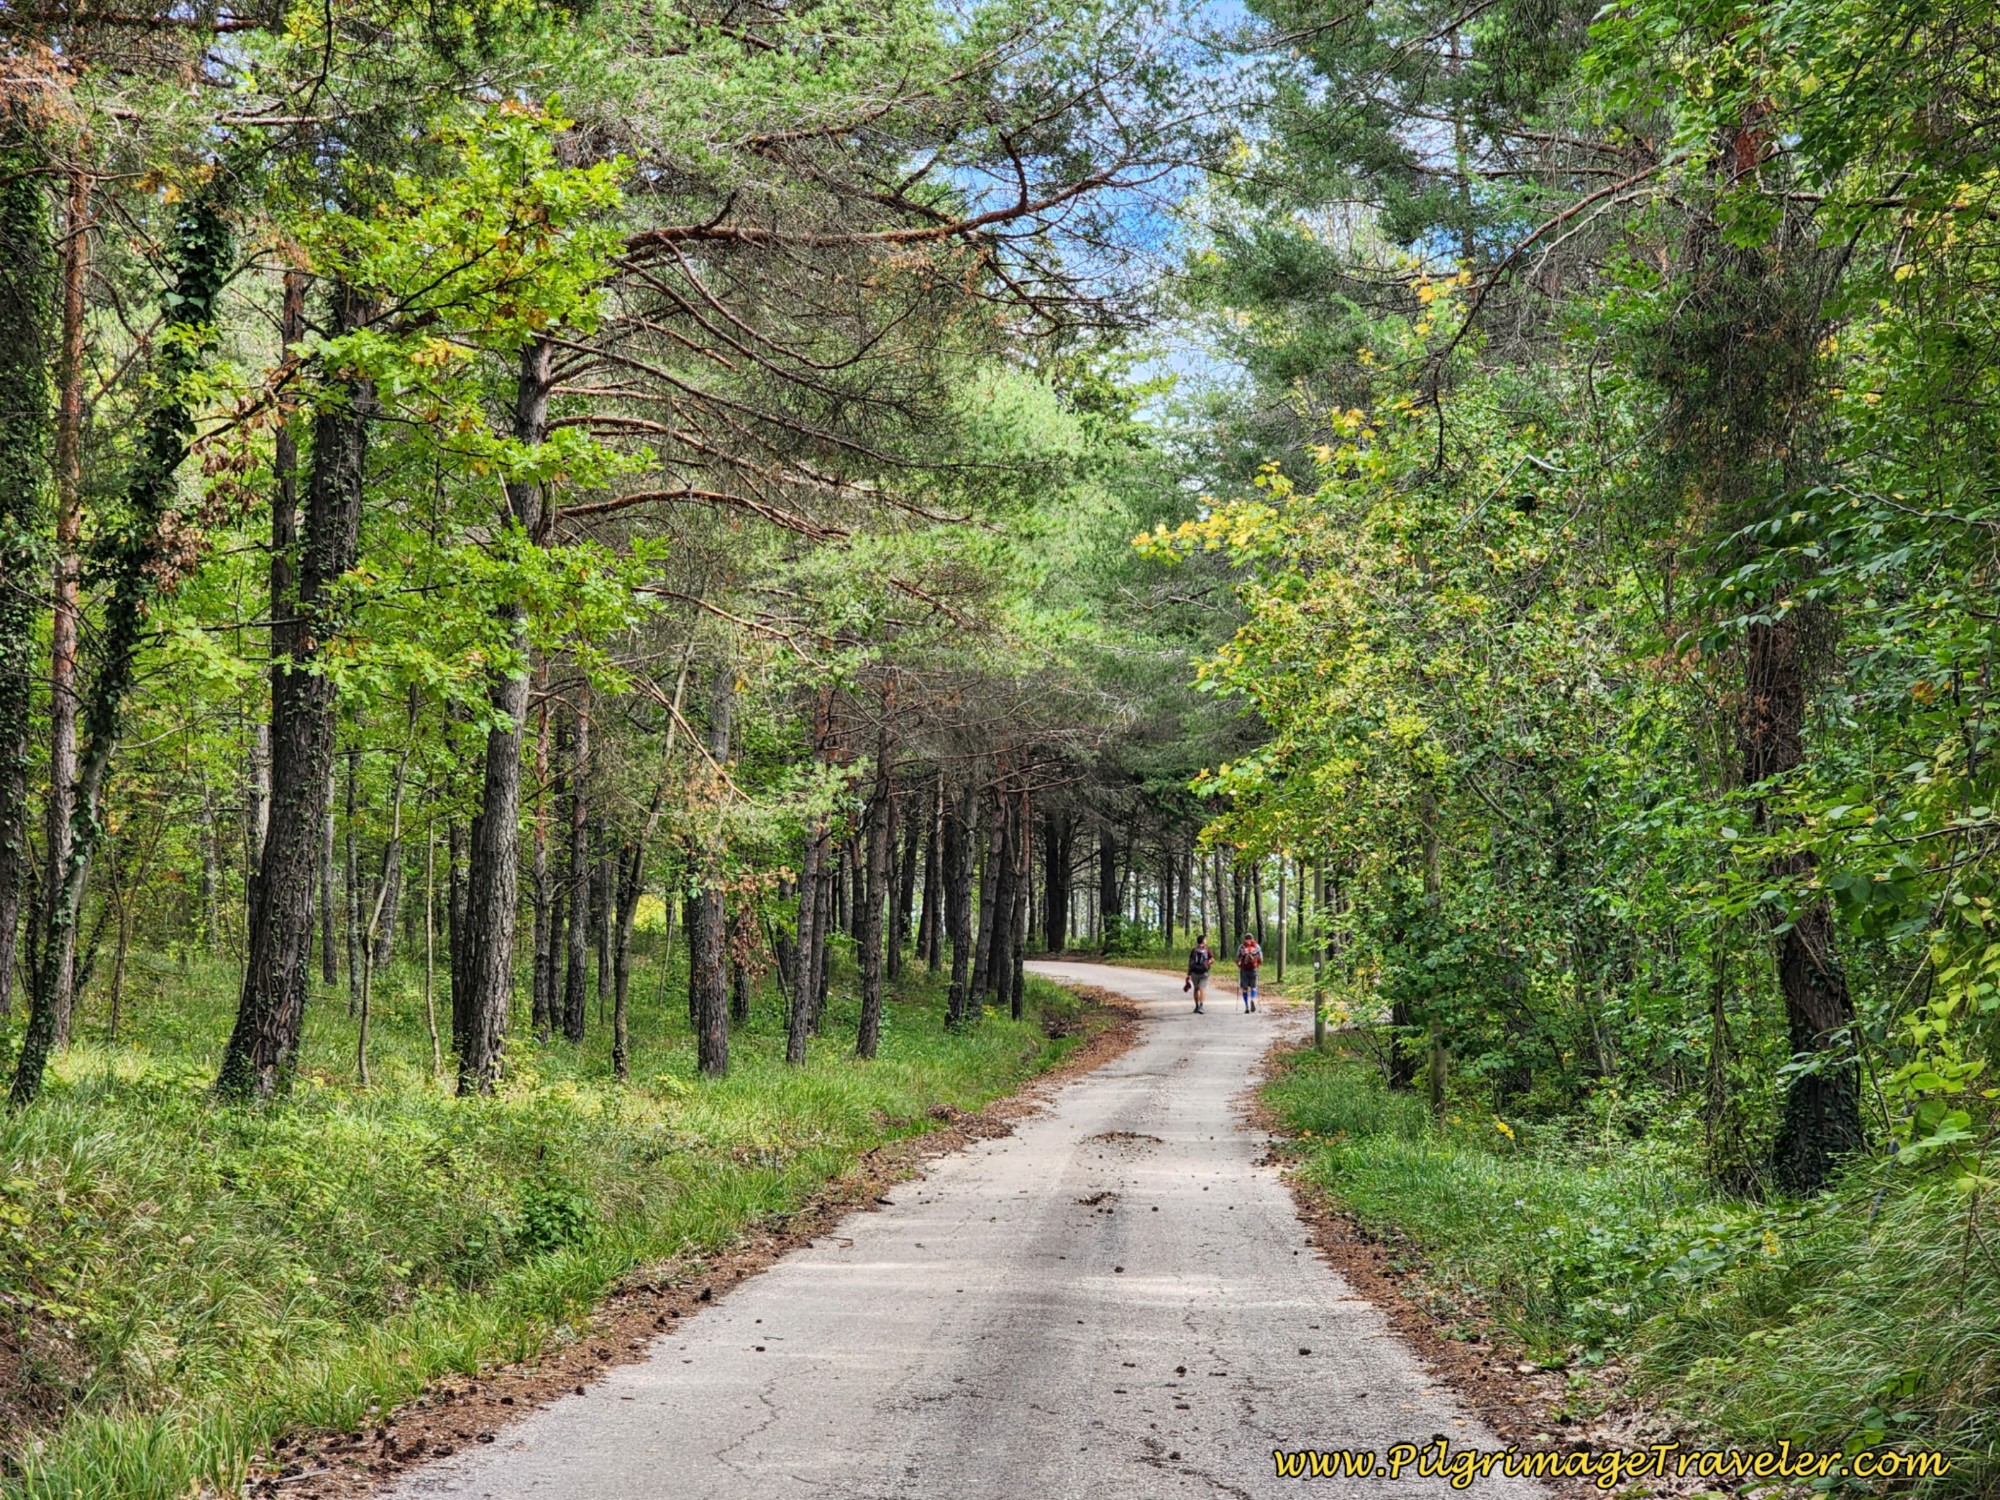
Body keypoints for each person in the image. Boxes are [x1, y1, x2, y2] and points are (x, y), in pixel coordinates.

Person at [1186, 933, 1213, 1013]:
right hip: (1204, 972)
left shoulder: (1194, 950)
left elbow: (1190, 962)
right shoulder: (1207, 950)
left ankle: (1196, 1006)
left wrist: (1189, 973)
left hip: (1194, 972)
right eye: (1205, 939)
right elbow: (1212, 960)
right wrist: (1209, 963)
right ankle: (1201, 1006)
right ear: (1203, 941)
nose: (1206, 941)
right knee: (1202, 989)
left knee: (1196, 989)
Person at [1236, 934, 1263, 1012]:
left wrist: (1239, 966)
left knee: (1245, 989)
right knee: (1253, 987)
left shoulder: (1241, 946)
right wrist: (1258, 965)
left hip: (1244, 970)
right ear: (1253, 938)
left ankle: (1247, 1007)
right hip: (1254, 969)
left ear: (1245, 939)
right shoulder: (1257, 946)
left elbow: (1237, 958)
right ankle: (1252, 999)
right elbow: (1261, 959)